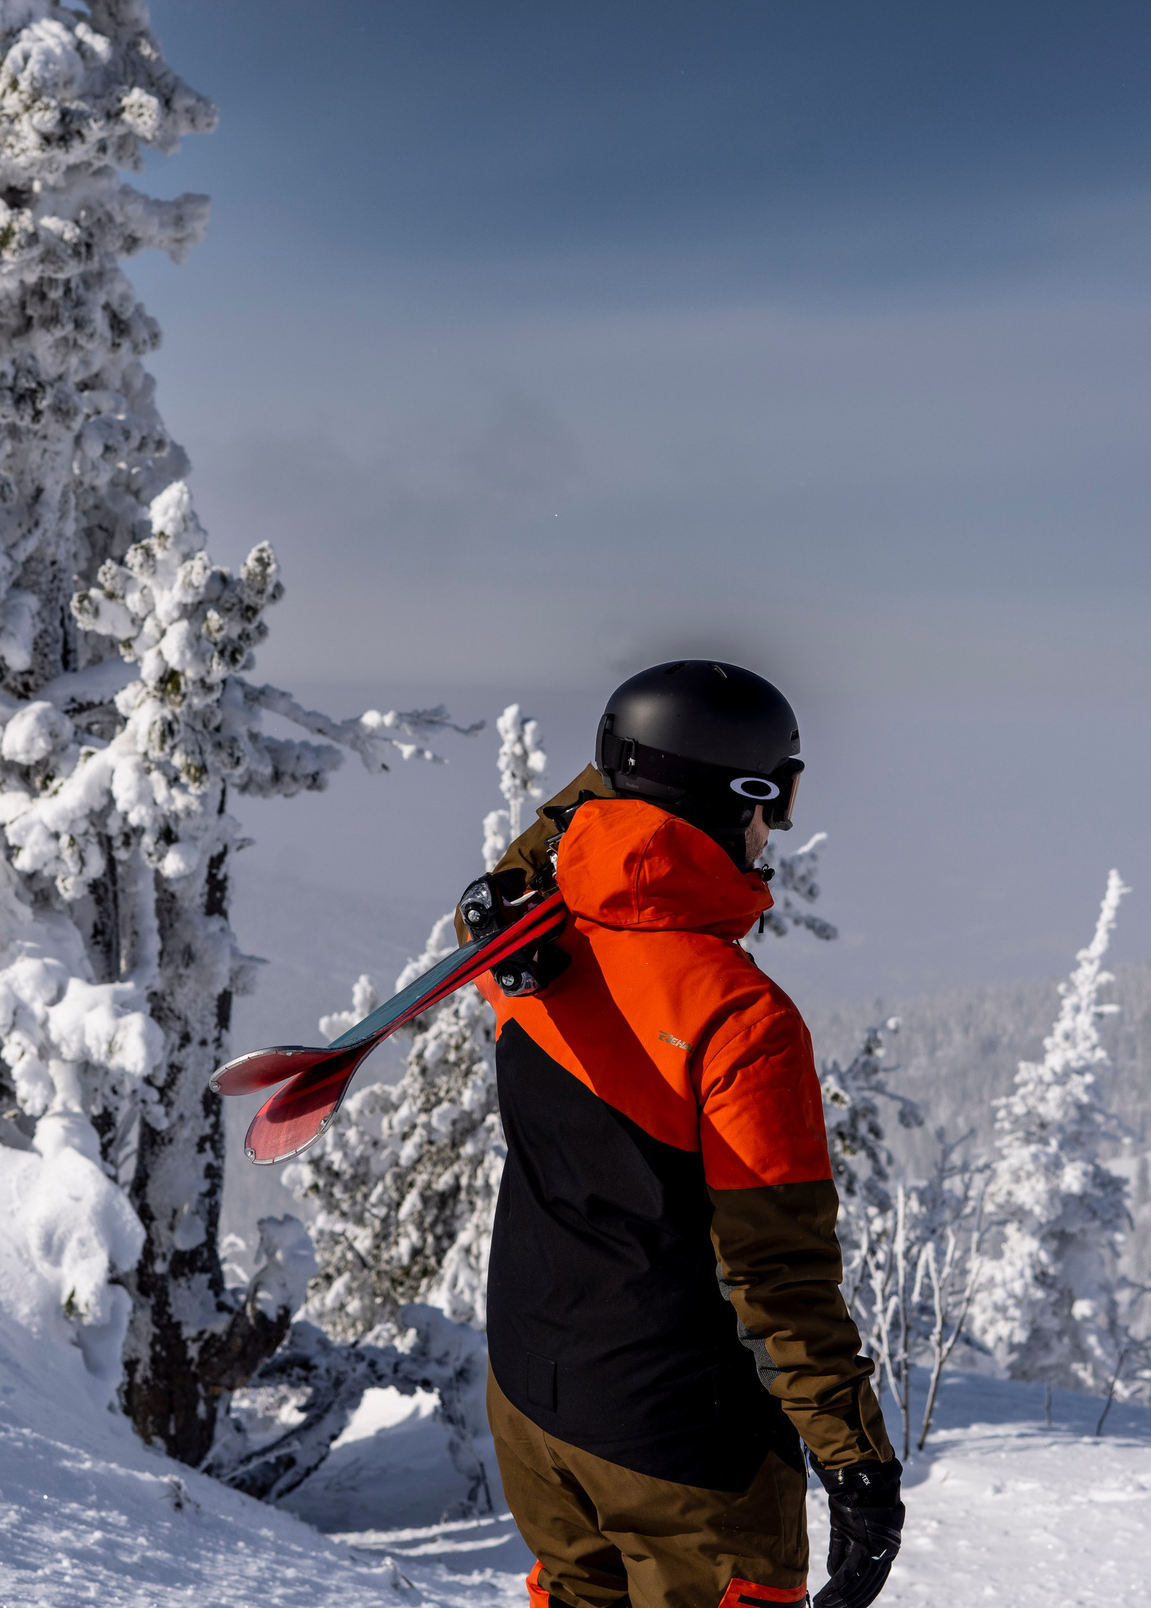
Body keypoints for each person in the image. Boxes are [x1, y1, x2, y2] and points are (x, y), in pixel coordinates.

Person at [470, 659, 905, 1608]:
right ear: (726, 796)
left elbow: (531, 852)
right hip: (683, 1453)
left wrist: (617, 777)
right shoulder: (741, 1020)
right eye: (776, 795)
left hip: (534, 1410)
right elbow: (779, 1279)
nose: (776, 827)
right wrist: (858, 1466)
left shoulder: (522, 949)